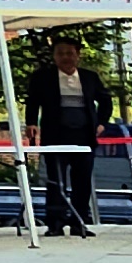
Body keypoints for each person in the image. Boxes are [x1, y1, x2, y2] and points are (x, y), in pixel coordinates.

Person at [30, 36, 109, 236]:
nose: (65, 57)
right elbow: (32, 101)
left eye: (70, 53)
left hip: (84, 135)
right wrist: (31, 123)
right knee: (55, 181)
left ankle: (79, 222)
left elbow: (106, 101)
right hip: (55, 135)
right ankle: (55, 224)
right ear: (54, 56)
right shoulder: (43, 77)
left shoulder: (89, 77)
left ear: (78, 55)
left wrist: (101, 123)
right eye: (60, 53)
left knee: (82, 181)